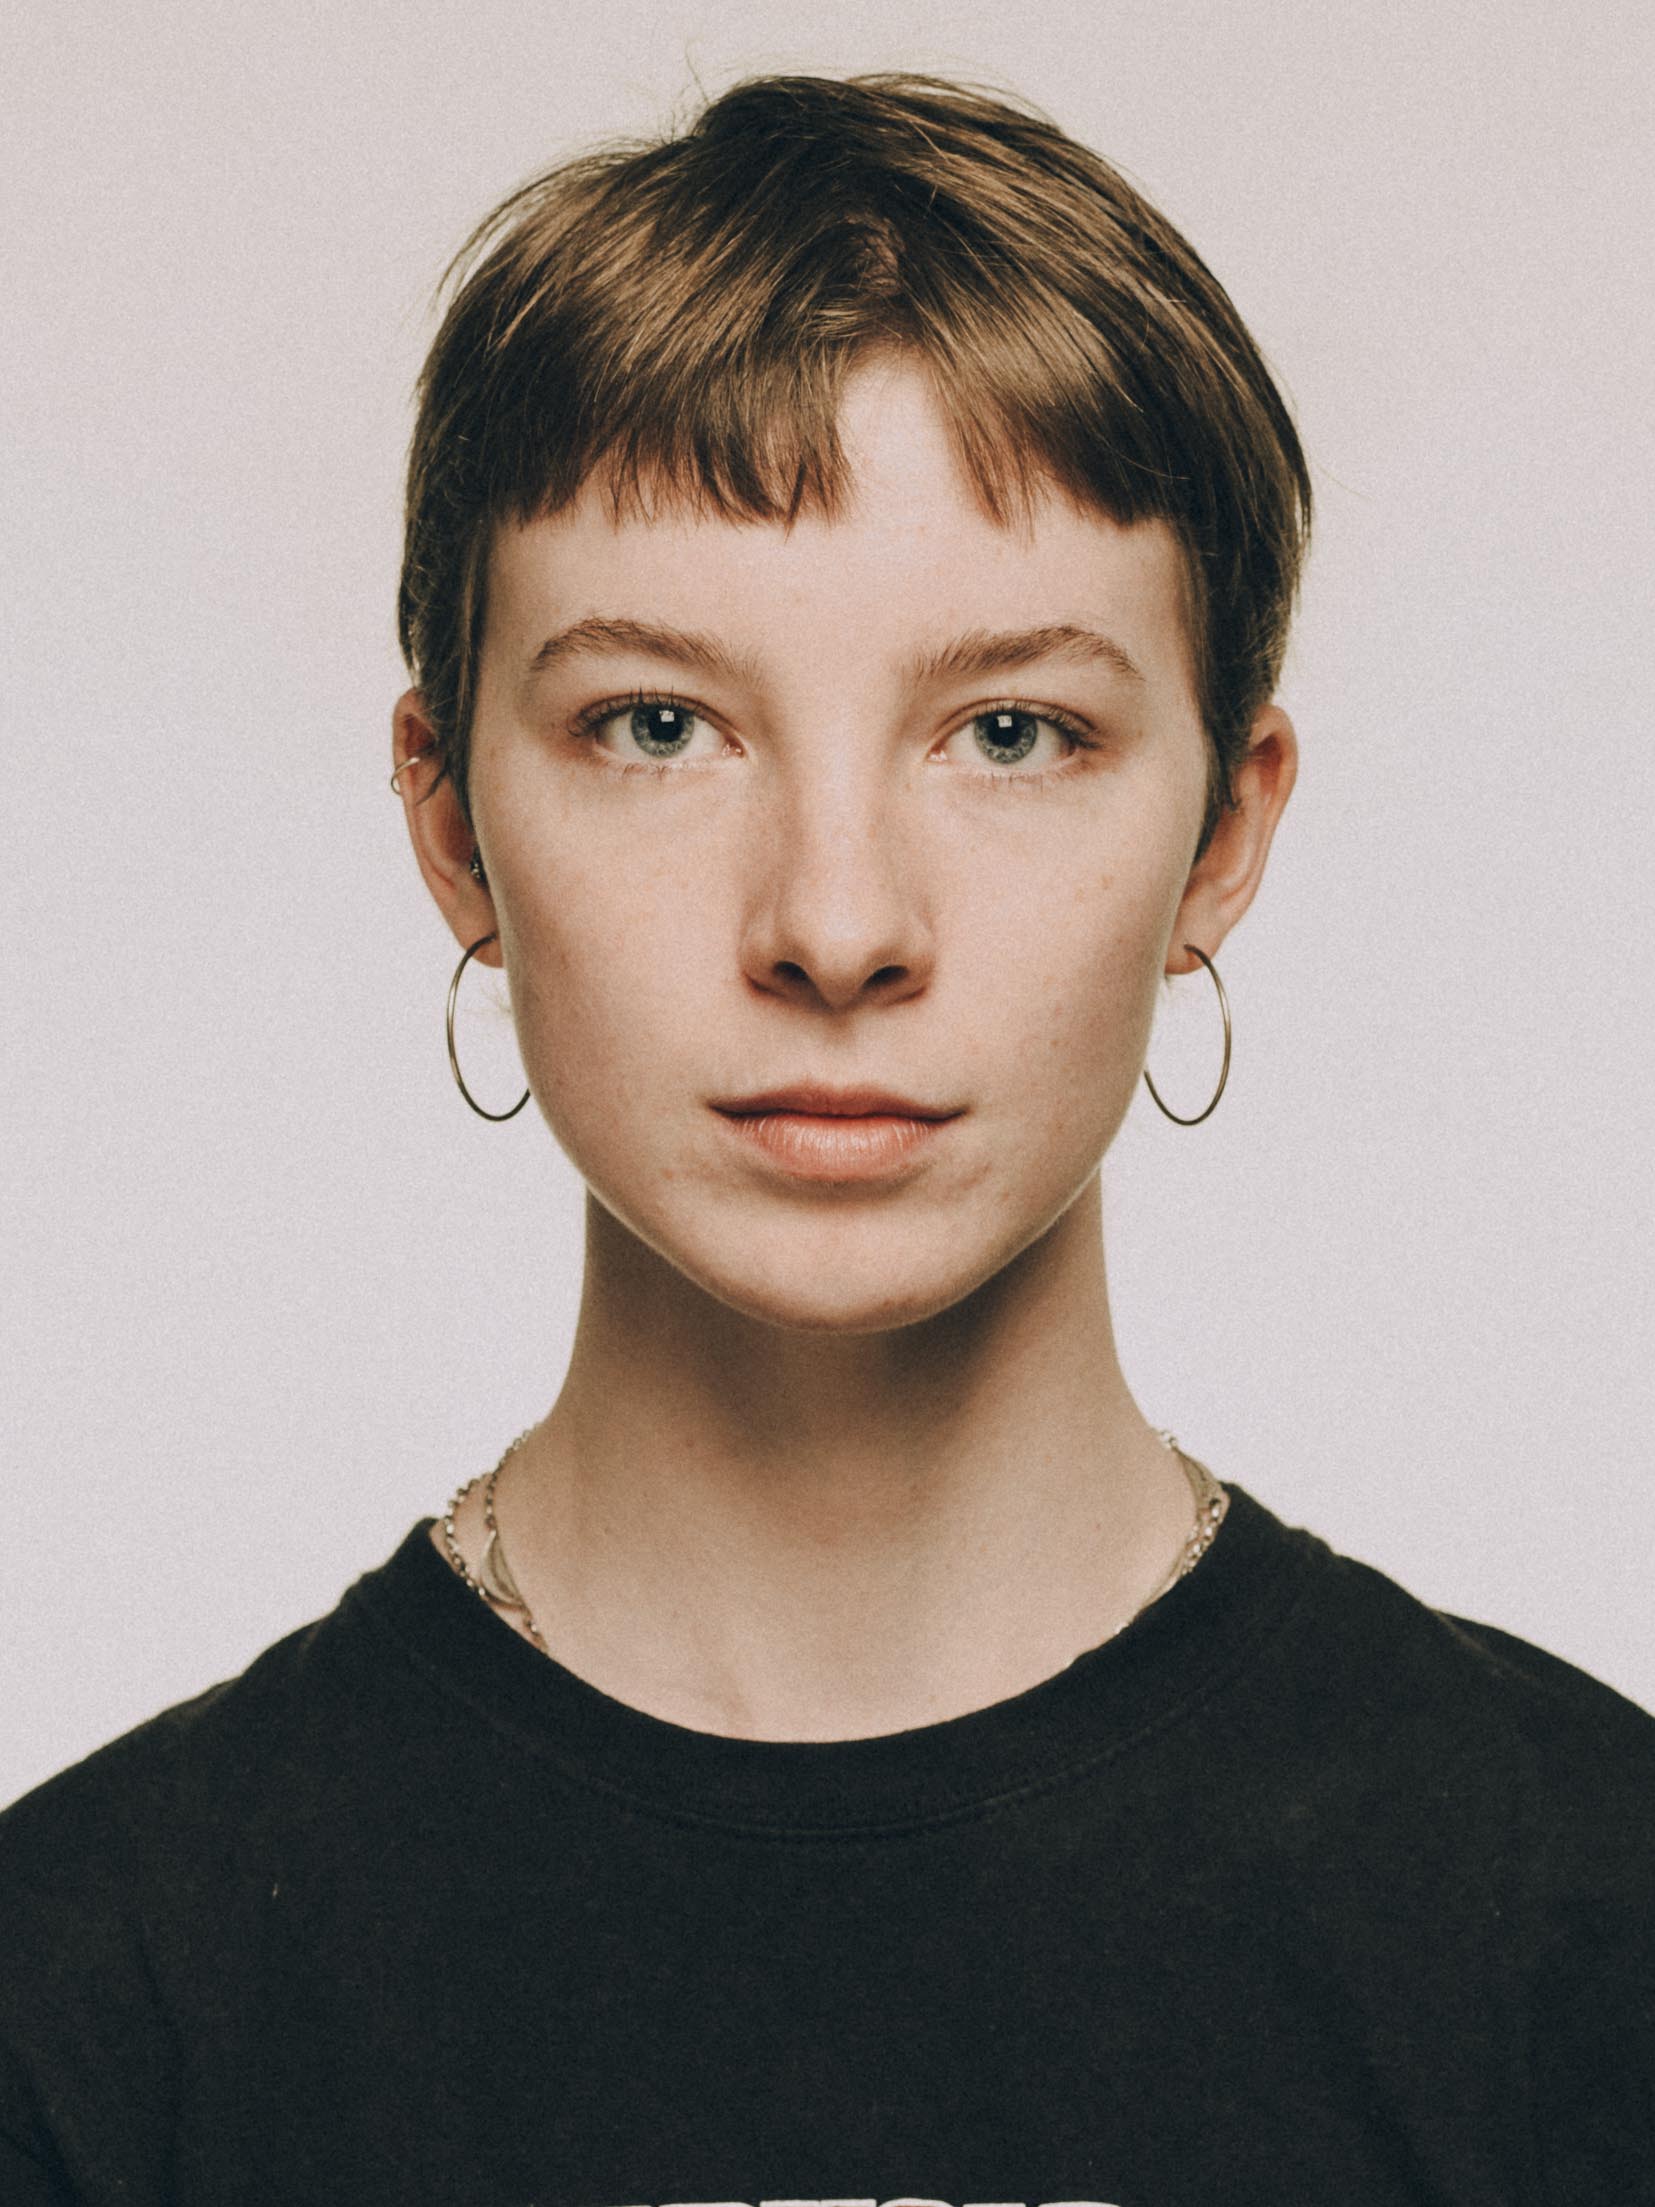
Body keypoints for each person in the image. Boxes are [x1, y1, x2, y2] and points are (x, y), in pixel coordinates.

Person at [2, 68, 1650, 2207]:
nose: (839, 922)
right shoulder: (92, 2001)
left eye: (1013, 732)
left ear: (1224, 834)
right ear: (454, 823)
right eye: (658, 725)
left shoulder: (1586, 1939)